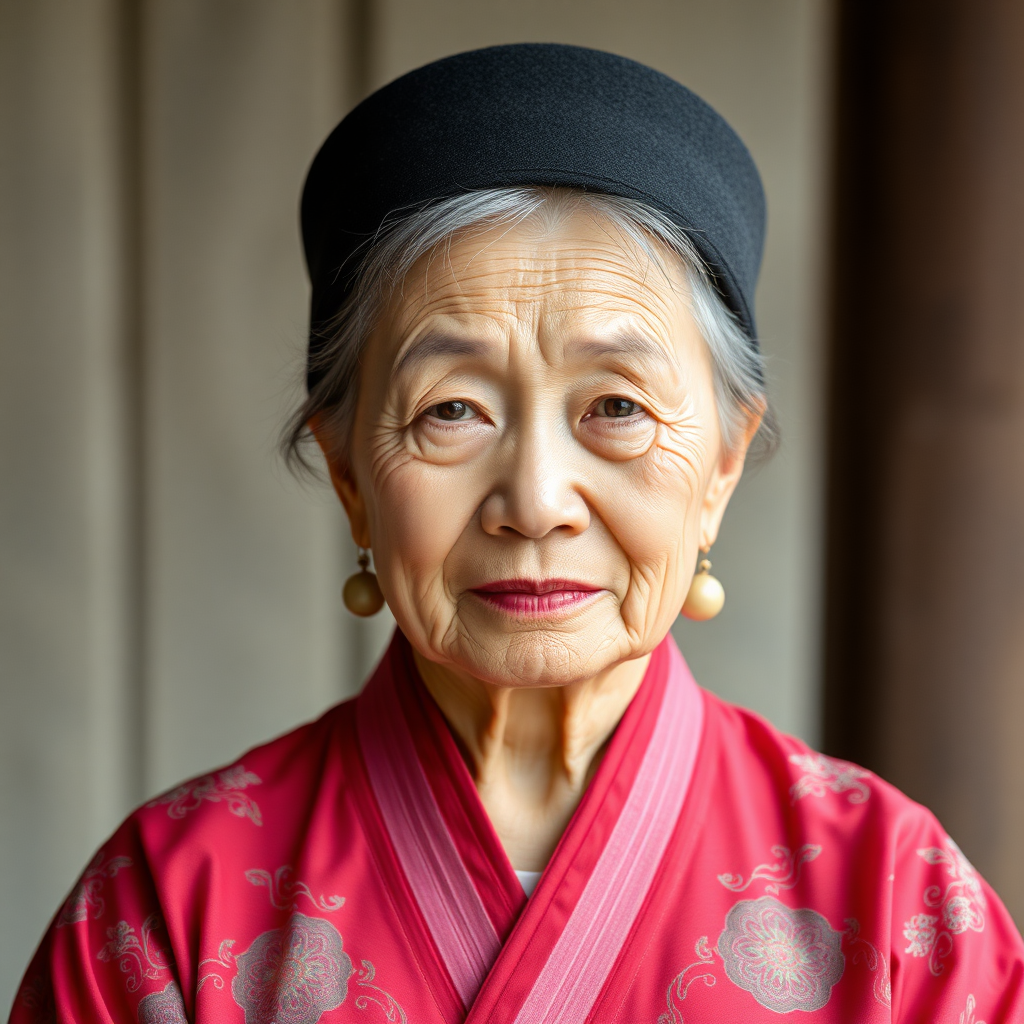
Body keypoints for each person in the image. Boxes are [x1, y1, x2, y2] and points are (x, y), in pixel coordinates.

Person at [11, 43, 1024, 1024]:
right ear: (350, 474)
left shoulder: (895, 901)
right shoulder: (167, 907)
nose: (535, 500)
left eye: (616, 407)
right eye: (451, 409)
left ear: (720, 464)